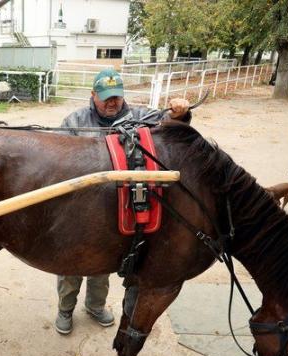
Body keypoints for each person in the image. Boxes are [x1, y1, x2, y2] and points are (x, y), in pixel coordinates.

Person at [54, 68, 191, 335]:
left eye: (116, 96)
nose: (112, 102)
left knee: (101, 264)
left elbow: (173, 126)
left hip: (117, 211)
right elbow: (57, 158)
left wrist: (181, 113)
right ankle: (65, 309)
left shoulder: (141, 117)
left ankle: (95, 306)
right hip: (80, 209)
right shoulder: (74, 121)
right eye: (105, 97)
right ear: (92, 95)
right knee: (70, 264)